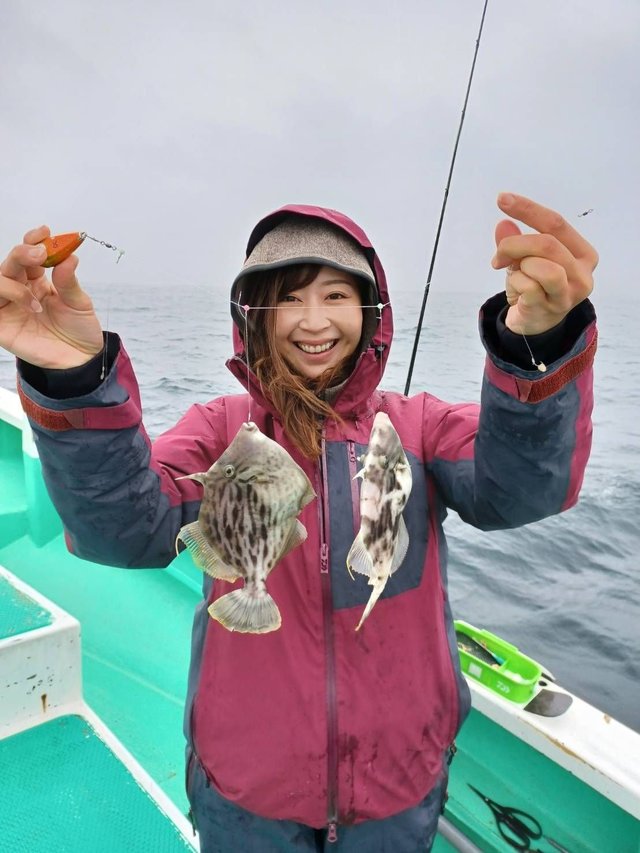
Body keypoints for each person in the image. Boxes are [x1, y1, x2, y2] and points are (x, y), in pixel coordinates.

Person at [0, 193, 597, 852]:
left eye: (337, 295)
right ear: (253, 317)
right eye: (288, 298)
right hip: (245, 789)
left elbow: (521, 489)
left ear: (371, 312)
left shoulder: (418, 428)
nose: (313, 320)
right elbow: (123, 527)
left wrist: (538, 349)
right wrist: (73, 379)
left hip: (398, 784)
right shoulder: (220, 430)